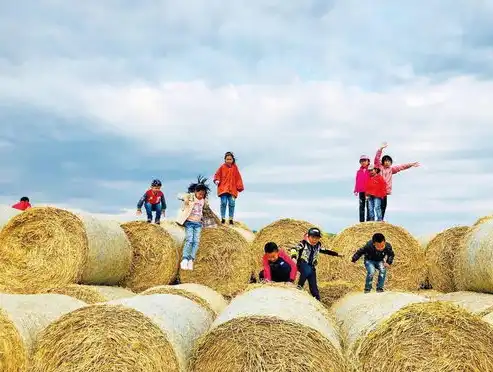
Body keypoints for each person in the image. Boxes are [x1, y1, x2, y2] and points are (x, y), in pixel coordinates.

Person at [290, 227, 344, 300]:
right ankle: (299, 287)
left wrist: (337, 254)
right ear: (308, 236)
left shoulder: (318, 245)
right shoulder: (303, 243)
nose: (315, 240)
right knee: (307, 270)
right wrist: (293, 257)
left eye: (317, 238)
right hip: (302, 264)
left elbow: (326, 251)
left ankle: (317, 300)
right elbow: (294, 248)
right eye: (313, 237)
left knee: (314, 288)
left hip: (312, 266)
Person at [374, 142, 419, 220]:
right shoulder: (379, 168)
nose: (387, 162)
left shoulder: (391, 170)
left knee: (384, 205)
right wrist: (380, 149)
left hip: (385, 190)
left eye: (389, 161)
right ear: (383, 162)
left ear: (391, 163)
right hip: (378, 190)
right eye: (385, 161)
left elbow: (401, 167)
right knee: (378, 205)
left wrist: (411, 165)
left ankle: (381, 220)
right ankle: (378, 219)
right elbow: (376, 159)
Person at [176, 176, 211, 271]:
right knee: (189, 240)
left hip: (198, 224)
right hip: (189, 223)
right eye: (199, 194)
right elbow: (179, 195)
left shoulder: (204, 201)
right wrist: (185, 198)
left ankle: (191, 259)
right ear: (195, 191)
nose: (201, 196)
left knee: (196, 242)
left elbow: (206, 211)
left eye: (203, 195)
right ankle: (184, 259)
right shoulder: (190, 197)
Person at [213, 151, 244, 225]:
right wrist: (216, 180)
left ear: (232, 160)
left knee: (232, 203)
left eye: (230, 159)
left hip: (232, 189)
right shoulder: (222, 167)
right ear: (225, 159)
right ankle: (223, 218)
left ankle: (231, 218)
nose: (228, 161)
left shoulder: (235, 168)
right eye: (227, 159)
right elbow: (217, 174)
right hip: (223, 189)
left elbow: (238, 178)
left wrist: (239, 186)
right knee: (223, 203)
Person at [354, 154, 370, 222]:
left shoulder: (370, 170)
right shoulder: (358, 172)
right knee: (361, 206)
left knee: (369, 206)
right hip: (361, 191)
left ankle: (369, 221)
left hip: (369, 191)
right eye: (362, 161)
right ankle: (361, 222)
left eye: (365, 160)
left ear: (368, 162)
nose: (363, 162)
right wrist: (355, 190)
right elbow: (357, 180)